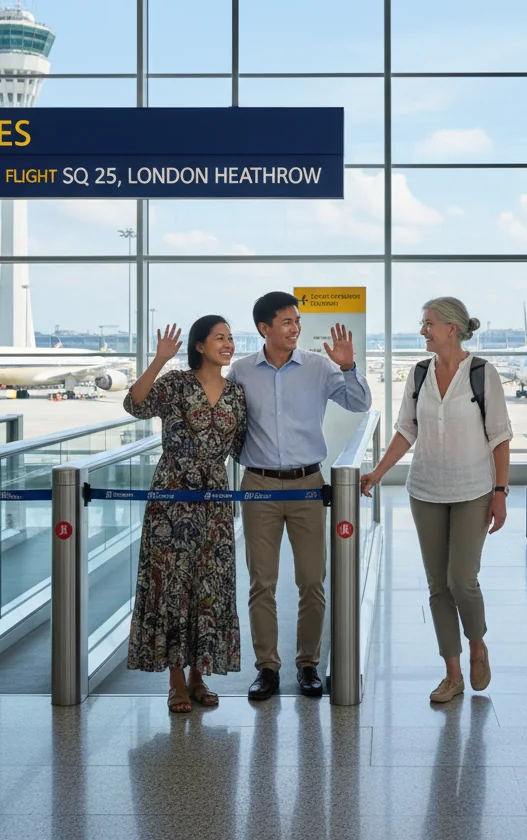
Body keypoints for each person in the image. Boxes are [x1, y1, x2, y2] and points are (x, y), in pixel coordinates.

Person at [360, 297, 513, 704]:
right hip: (426, 490)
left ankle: (477, 643)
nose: (423, 329)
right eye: (423, 322)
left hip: (473, 490)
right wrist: (377, 472)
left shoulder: (483, 373)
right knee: (437, 585)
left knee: (461, 579)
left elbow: (500, 437)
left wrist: (500, 493)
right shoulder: (420, 373)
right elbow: (406, 430)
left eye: (429, 323)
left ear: (452, 328)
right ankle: (452, 673)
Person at [227, 291, 372, 701]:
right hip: (258, 486)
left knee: (312, 580)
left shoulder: (319, 367)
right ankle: (267, 668)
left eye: (297, 321)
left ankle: (308, 665)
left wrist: (349, 367)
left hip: (309, 483)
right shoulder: (240, 372)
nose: (295, 328)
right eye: (287, 322)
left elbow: (360, 403)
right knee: (262, 582)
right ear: (264, 328)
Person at [122, 316, 247, 714]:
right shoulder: (176, 384)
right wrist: (159, 360)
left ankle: (199, 674)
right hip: (172, 496)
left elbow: (243, 446)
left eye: (230, 338)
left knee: (209, 585)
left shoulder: (237, 394)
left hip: (215, 500)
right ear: (199, 345)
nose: (228, 344)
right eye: (219, 338)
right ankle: (176, 679)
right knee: (172, 585)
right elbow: (134, 405)